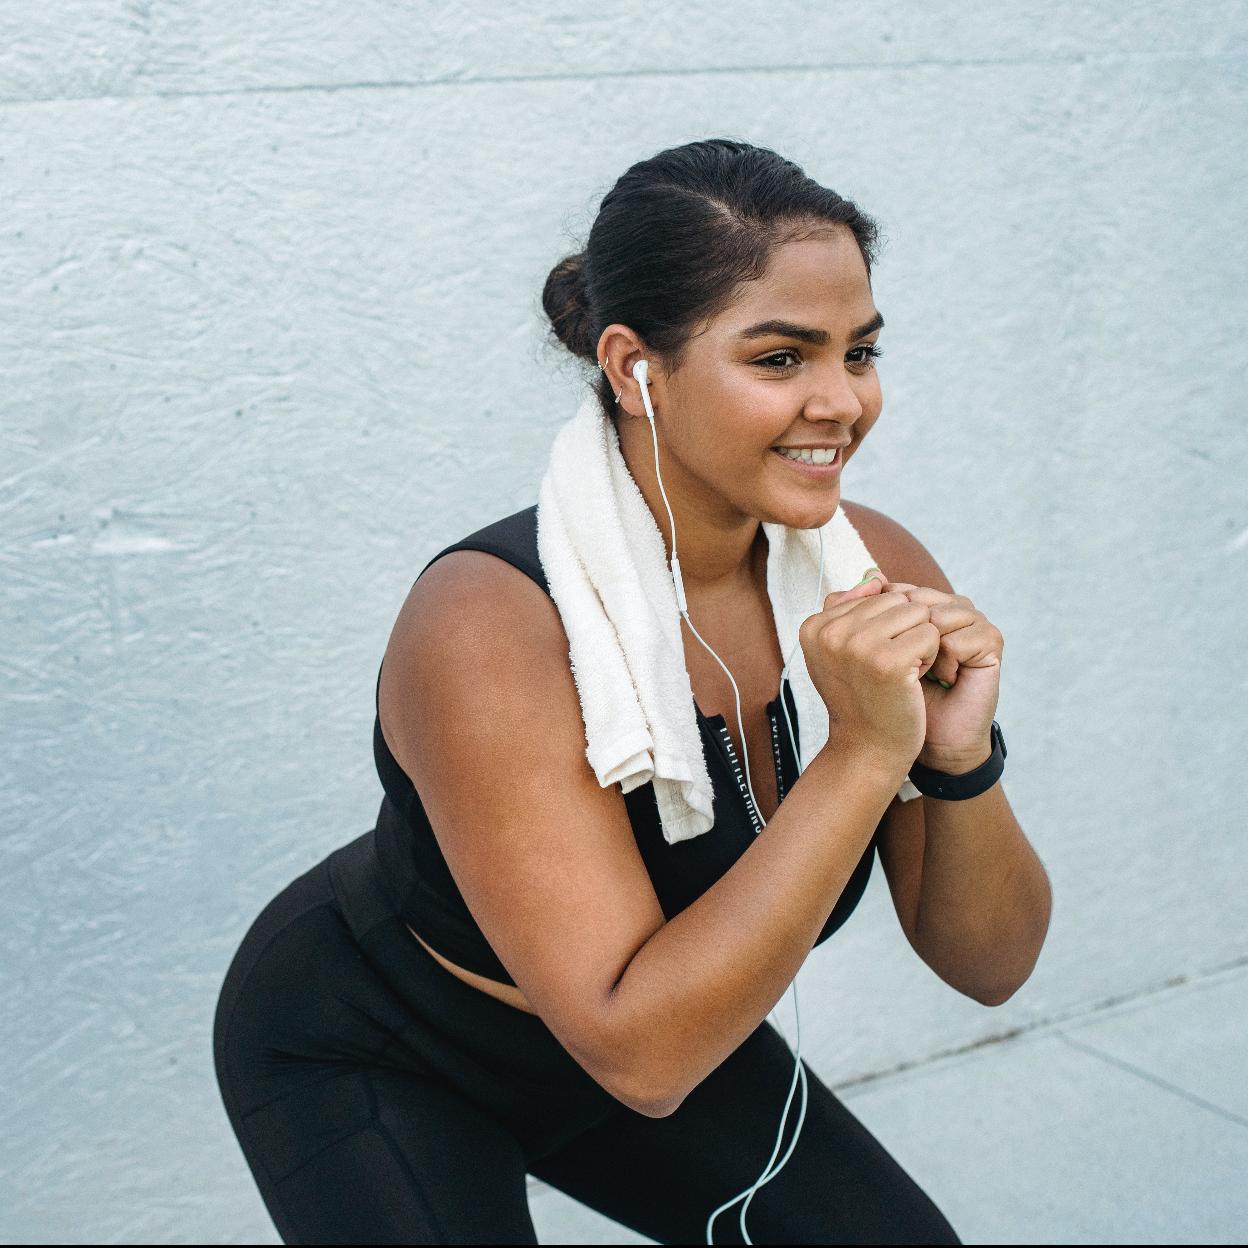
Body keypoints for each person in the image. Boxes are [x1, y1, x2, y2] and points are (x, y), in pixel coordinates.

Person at [212, 137, 1051, 1245]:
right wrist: (857, 754)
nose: (843, 400)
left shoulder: (867, 576)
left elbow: (990, 966)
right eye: (781, 358)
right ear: (631, 367)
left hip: (671, 1028)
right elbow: (643, 1056)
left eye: (861, 351)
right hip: (381, 1041)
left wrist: (950, 756)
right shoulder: (491, 623)